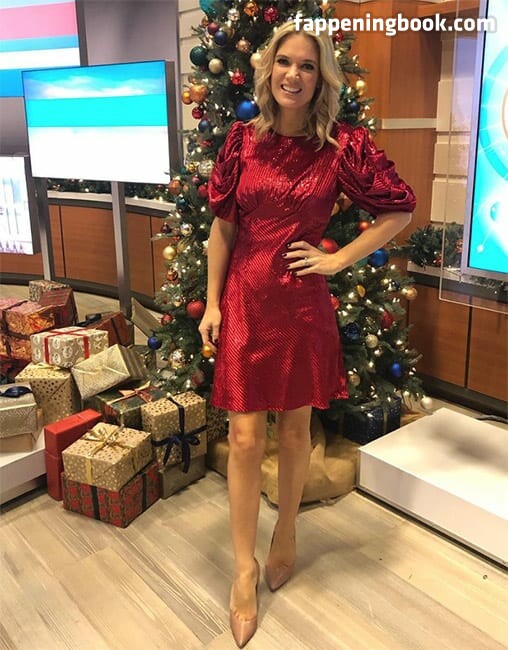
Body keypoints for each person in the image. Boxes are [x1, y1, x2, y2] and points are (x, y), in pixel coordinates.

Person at [198, 20, 416, 648]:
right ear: (269, 69)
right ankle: (243, 569)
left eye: (308, 66)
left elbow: (399, 208)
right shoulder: (241, 141)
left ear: (322, 79)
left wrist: (338, 258)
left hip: (299, 305)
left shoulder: (342, 147)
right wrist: (211, 303)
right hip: (244, 299)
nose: (293, 75)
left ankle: (287, 530)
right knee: (245, 438)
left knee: (295, 431)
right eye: (285, 62)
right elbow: (222, 229)